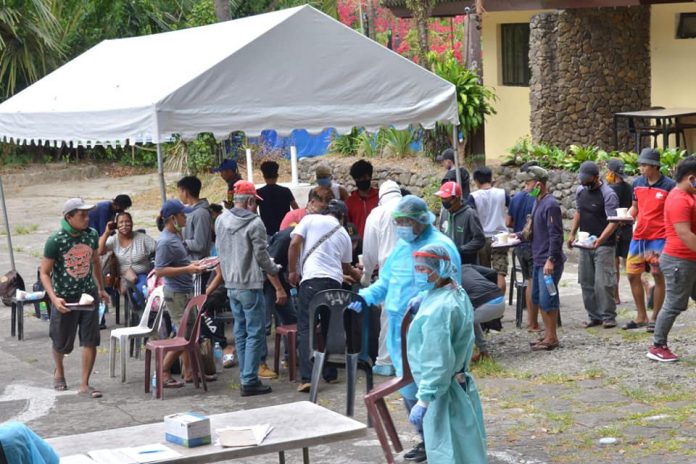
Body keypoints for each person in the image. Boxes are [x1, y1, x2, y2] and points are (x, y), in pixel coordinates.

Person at [358, 195, 461, 463]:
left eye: (407, 222)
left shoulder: (440, 247)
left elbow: (453, 290)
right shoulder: (402, 248)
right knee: (408, 389)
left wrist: (425, 302)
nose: (402, 227)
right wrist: (364, 297)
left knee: (432, 386)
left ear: (422, 220)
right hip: (397, 331)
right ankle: (426, 440)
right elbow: (386, 283)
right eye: (399, 222)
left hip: (428, 330)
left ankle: (442, 442)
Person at [405, 245, 487, 464]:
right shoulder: (454, 291)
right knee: (466, 445)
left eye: (423, 269)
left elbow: (437, 360)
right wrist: (425, 298)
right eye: (418, 269)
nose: (419, 274)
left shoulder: (439, 311)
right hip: (456, 383)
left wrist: (424, 399)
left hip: (443, 391)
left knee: (446, 449)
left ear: (440, 268)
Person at [215, 180, 287, 395]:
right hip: (250, 284)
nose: (256, 205)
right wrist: (274, 268)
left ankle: (246, 375)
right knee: (255, 333)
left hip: (231, 285)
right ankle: (249, 379)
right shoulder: (255, 223)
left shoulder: (220, 220)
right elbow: (262, 257)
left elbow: (219, 251)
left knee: (240, 331)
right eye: (254, 201)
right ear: (248, 201)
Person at [288, 199, 362, 392]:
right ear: (343, 216)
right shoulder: (344, 233)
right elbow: (345, 267)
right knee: (331, 328)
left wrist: (292, 271)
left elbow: (294, 243)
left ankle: (307, 378)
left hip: (311, 282)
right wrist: (359, 276)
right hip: (333, 284)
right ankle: (331, 373)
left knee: (306, 328)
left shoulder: (310, 220)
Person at [41, 198, 110, 398]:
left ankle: (84, 384)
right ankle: (59, 371)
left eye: (87, 214)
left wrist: (101, 288)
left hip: (88, 296)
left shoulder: (91, 235)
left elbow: (96, 262)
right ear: (68, 217)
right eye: (82, 215)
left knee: (90, 340)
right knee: (61, 341)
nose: (87, 219)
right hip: (64, 299)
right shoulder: (56, 240)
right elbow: (45, 272)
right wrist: (53, 298)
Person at [647, 156, 696, 362]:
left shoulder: (689, 196)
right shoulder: (678, 199)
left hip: (690, 260)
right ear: (691, 178)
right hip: (679, 260)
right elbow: (684, 234)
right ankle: (658, 346)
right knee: (675, 304)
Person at [154, 199, 207, 388]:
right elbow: (159, 270)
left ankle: (189, 372)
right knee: (183, 335)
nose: (185, 217)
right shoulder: (166, 241)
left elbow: (180, 264)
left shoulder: (176, 236)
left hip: (185, 291)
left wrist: (194, 266)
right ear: (172, 218)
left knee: (190, 333)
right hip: (175, 294)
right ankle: (163, 370)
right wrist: (188, 269)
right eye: (182, 215)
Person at [624, 148, 676, 332]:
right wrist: (626, 216)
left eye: (644, 165)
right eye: (640, 164)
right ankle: (641, 316)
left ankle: (655, 318)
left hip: (660, 238)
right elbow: (635, 207)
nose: (641, 168)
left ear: (655, 166)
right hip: (639, 237)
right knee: (631, 274)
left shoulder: (670, 186)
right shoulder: (637, 183)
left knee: (657, 275)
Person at [567, 161, 619, 329]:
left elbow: (614, 222)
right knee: (586, 281)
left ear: (596, 177)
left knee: (603, 282)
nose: (582, 182)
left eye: (586, 179)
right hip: (584, 243)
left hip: (604, 245)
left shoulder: (608, 194)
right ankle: (593, 316)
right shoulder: (581, 191)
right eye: (581, 179)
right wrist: (572, 233)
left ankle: (608, 316)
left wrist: (601, 239)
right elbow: (579, 212)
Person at [361, 180, 402, 377]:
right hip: (417, 268)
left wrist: (366, 275)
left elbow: (369, 251)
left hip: (390, 271)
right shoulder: (411, 206)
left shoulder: (377, 213)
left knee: (389, 315)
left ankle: (386, 361)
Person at [525, 167, 564, 351]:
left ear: (538, 184)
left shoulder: (551, 205)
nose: (526, 187)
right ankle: (548, 334)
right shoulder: (536, 202)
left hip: (549, 261)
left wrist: (551, 259)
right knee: (538, 298)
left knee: (548, 299)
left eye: (528, 183)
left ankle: (552, 337)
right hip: (538, 258)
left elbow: (556, 236)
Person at [97, 211, 156, 308]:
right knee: (129, 291)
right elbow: (99, 251)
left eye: (127, 222)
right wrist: (107, 232)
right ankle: (137, 308)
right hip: (121, 277)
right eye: (121, 222)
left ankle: (142, 312)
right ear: (117, 225)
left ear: (132, 223)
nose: (124, 225)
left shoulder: (142, 238)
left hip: (141, 275)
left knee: (142, 290)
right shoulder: (114, 240)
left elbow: (158, 248)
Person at [506, 161, 539, 331]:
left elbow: (508, 222)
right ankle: (532, 322)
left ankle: (530, 319)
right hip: (534, 245)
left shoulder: (516, 197)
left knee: (528, 280)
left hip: (519, 246)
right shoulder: (537, 198)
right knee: (534, 282)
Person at [470, 167, 510, 293]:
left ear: (476, 181)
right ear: (490, 178)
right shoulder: (502, 193)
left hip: (482, 236)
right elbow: (512, 208)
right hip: (501, 236)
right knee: (500, 272)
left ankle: (489, 301)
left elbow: (470, 215)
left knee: (485, 273)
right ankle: (500, 301)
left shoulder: (473, 197)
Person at [461, 264, 506, 362]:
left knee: (460, 320)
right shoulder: (467, 266)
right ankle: (483, 352)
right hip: (501, 300)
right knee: (470, 317)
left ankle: (460, 359)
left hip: (484, 307)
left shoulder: (449, 277)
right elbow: (493, 272)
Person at [435, 181, 485, 265]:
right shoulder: (444, 213)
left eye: (446, 198)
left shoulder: (469, 214)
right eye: (442, 198)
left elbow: (480, 240)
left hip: (466, 264)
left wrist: (461, 249)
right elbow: (441, 235)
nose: (443, 201)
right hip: (448, 263)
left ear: (456, 198)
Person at [606, 158, 634, 305]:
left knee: (615, 265)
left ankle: (616, 297)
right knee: (630, 264)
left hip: (615, 229)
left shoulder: (610, 190)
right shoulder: (629, 187)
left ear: (612, 173)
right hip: (628, 228)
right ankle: (646, 288)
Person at [257, 160, 298, 236]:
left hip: (267, 231)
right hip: (285, 230)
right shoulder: (286, 191)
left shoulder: (259, 192)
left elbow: (253, 212)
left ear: (263, 176)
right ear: (277, 176)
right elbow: (296, 209)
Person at [177, 176, 213, 261]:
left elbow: (200, 244)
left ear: (185, 192)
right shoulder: (188, 211)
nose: (179, 195)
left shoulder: (201, 213)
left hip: (198, 264)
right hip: (189, 262)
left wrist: (180, 243)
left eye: (179, 192)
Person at [346, 159, 379, 238]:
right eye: (358, 178)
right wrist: (352, 238)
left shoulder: (380, 197)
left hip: (378, 240)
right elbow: (349, 224)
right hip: (358, 244)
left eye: (364, 177)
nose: (361, 180)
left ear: (370, 176)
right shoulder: (350, 202)